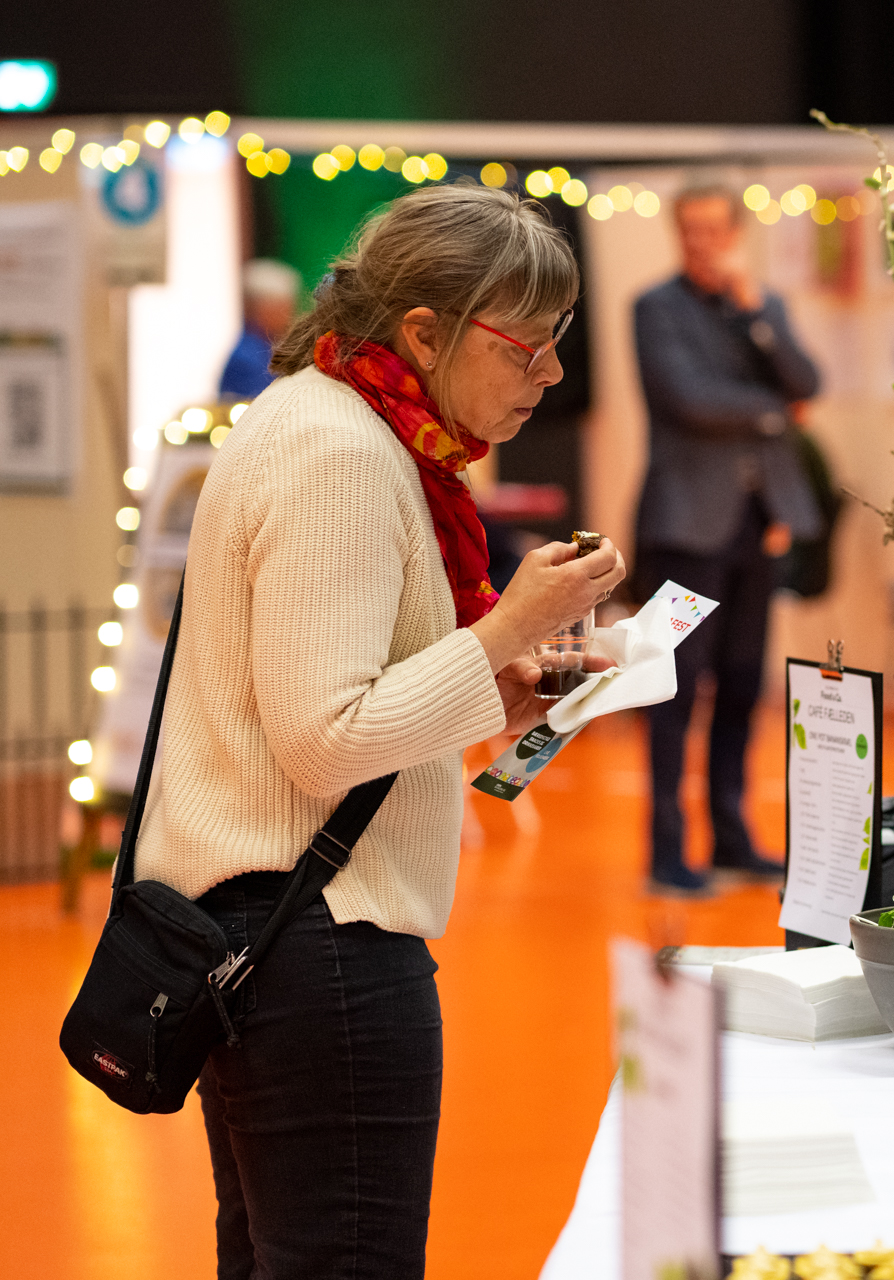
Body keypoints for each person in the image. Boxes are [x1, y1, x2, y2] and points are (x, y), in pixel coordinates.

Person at [138, 184, 623, 1278]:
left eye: (559, 340)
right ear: (423, 333)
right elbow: (325, 739)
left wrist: (494, 691)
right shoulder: (343, 456)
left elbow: (320, 704)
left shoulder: (331, 422)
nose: (551, 373)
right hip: (318, 942)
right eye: (530, 345)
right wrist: (508, 627)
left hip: (272, 930)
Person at [632, 182, 822, 894]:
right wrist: (775, 412)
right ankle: (666, 852)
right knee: (672, 690)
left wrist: (754, 315)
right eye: (690, 229)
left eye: (714, 229)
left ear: (736, 234)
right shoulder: (655, 308)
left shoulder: (762, 304)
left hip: (755, 524)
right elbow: (689, 400)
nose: (702, 242)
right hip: (683, 528)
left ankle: (732, 839)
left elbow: (809, 380)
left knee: (743, 683)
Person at [219, 258, 303, 399]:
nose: (289, 316)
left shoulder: (270, 345)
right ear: (261, 308)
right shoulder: (247, 357)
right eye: (282, 308)